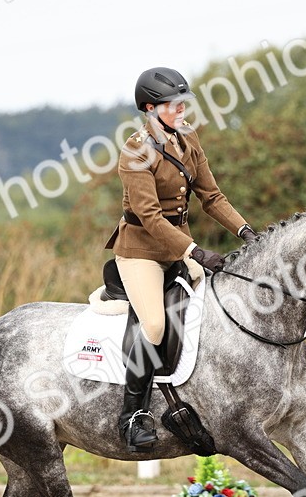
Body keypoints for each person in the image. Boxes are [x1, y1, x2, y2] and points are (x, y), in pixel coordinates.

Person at [105, 66, 259, 452]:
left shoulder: (188, 140)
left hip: (179, 246)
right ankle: (132, 416)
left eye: (183, 102)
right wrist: (194, 251)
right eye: (173, 105)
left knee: (221, 306)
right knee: (155, 324)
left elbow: (213, 197)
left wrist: (248, 233)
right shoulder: (135, 152)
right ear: (149, 108)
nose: (181, 110)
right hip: (141, 252)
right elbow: (150, 217)